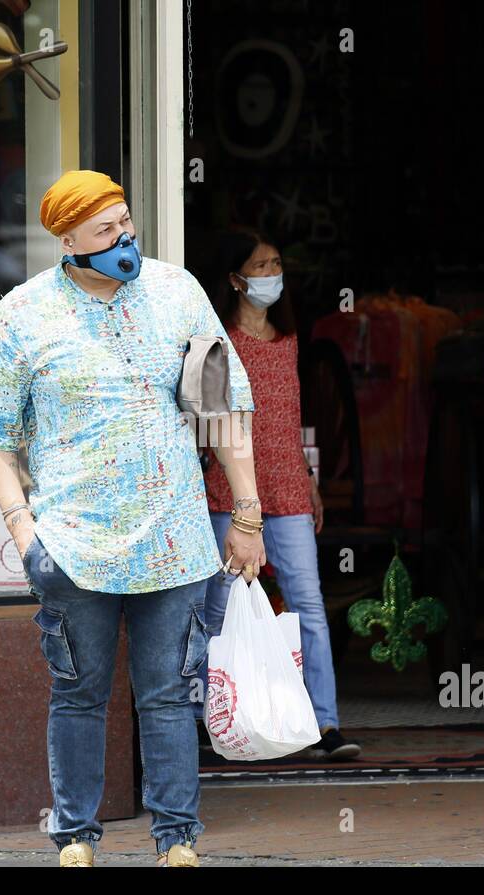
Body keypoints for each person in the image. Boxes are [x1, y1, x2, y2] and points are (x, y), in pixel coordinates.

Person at [0, 170, 265, 868]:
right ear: (67, 240)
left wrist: (246, 514)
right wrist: (22, 529)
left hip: (175, 536)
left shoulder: (177, 293)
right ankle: (75, 836)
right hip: (72, 545)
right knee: (79, 693)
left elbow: (223, 411)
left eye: (125, 222)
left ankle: (177, 838)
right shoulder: (21, 313)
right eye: (105, 230)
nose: (123, 238)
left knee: (167, 695)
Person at [193, 230, 361, 761]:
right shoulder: (218, 341)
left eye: (275, 264)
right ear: (236, 279)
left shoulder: (289, 339)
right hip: (228, 494)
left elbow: (290, 422)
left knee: (308, 603)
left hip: (288, 489)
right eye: (259, 266)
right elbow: (209, 423)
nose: (270, 274)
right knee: (216, 611)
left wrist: (309, 480)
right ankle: (212, 719)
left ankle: (323, 723)